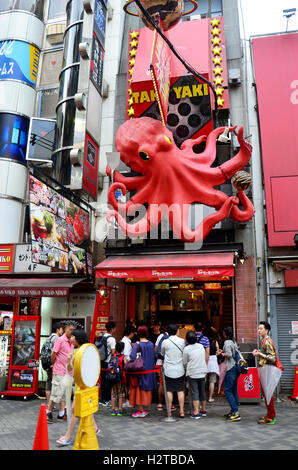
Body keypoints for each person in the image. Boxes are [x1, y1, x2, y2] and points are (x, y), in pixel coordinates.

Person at [56, 329, 100, 446]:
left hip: (82, 386)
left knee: (76, 410)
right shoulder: (86, 349)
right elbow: (71, 369)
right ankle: (94, 427)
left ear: (77, 338)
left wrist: (70, 362)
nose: (71, 339)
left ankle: (67, 436)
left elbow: (72, 369)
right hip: (87, 384)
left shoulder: (80, 351)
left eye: (72, 336)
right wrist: (70, 361)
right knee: (86, 408)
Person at [46, 321, 77, 423]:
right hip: (59, 371)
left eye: (73, 330)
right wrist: (55, 364)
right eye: (70, 330)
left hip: (68, 372)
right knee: (56, 393)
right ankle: (48, 413)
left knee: (65, 394)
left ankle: (61, 414)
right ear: (65, 329)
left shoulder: (72, 342)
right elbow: (53, 354)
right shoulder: (60, 340)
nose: (71, 332)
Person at [253, 321, 278, 425]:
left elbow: (273, 358)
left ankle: (271, 417)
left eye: (261, 329)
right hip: (265, 369)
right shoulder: (264, 340)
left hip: (267, 370)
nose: (259, 330)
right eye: (258, 328)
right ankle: (270, 415)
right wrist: (259, 353)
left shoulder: (267, 342)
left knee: (268, 394)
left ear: (267, 330)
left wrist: (260, 354)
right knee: (266, 394)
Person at [129, 325, 156, 418]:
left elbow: (132, 357)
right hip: (149, 370)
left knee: (139, 390)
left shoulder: (137, 344)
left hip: (140, 371)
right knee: (145, 389)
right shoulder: (151, 344)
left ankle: (140, 411)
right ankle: (142, 409)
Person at [161, 323, 185, 418]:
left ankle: (169, 412)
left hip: (168, 369)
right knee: (180, 390)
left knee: (169, 390)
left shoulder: (165, 342)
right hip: (180, 369)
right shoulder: (182, 341)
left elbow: (162, 353)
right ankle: (182, 411)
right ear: (177, 331)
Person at [217, 326, 241, 422]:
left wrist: (221, 354)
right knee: (234, 388)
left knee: (227, 390)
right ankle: (234, 410)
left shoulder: (227, 342)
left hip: (231, 368)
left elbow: (229, 355)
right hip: (236, 368)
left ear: (225, 333)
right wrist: (223, 352)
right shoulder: (233, 341)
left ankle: (235, 412)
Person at [183, 330, 208, 419]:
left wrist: (186, 369)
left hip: (192, 372)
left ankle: (196, 412)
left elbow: (185, 362)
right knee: (202, 391)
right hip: (202, 371)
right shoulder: (201, 346)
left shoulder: (186, 349)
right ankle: (204, 410)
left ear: (187, 340)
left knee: (195, 392)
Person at [45, 322, 64, 407]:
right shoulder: (56, 338)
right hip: (53, 364)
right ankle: (53, 406)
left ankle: (49, 404)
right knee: (55, 384)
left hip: (46, 363)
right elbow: (54, 353)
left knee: (49, 383)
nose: (62, 331)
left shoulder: (49, 337)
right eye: (61, 329)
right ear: (57, 330)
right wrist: (54, 363)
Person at [100, 321, 116, 406]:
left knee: (103, 380)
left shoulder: (102, 336)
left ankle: (102, 398)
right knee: (108, 380)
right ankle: (106, 399)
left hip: (102, 360)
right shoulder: (111, 339)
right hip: (108, 362)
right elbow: (113, 352)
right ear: (112, 329)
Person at [110, 341, 128, 416]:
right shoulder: (123, 357)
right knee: (120, 394)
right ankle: (120, 410)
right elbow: (126, 366)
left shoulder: (113, 356)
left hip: (113, 377)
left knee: (113, 393)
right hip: (120, 378)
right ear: (122, 349)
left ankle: (113, 410)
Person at [120, 326, 135, 407]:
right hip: (126, 365)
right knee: (126, 384)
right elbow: (126, 355)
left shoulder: (125, 341)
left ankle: (124, 400)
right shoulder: (126, 342)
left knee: (125, 384)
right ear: (131, 333)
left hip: (124, 365)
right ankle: (124, 401)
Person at [205, 328, 220, 402]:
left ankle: (203, 398)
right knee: (212, 381)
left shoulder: (204, 341)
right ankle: (210, 398)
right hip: (213, 361)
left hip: (204, 360)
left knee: (203, 381)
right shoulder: (215, 342)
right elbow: (217, 352)